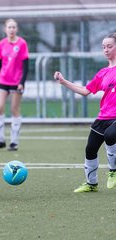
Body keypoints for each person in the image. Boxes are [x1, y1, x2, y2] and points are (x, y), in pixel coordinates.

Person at [54, 32, 116, 193]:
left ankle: (113, 171)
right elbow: (84, 91)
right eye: (103, 47)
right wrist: (63, 81)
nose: (106, 49)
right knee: (90, 149)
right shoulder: (103, 73)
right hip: (103, 117)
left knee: (111, 135)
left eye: (110, 46)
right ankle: (91, 184)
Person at [0, 18, 29, 152]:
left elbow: (26, 65)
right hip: (3, 81)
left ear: (16, 29)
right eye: (9, 27)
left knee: (14, 110)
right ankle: (0, 140)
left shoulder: (22, 43)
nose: (11, 29)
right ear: (5, 29)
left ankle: (14, 142)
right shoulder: (1, 44)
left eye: (14, 27)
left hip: (16, 82)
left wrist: (22, 82)